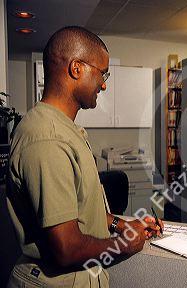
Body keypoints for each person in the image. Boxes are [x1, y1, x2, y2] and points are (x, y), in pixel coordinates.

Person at [6, 26, 163, 287]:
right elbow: (66, 248)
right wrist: (124, 244)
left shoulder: (65, 129)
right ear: (76, 68)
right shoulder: (48, 138)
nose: (103, 84)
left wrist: (120, 225)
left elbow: (79, 210)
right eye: (102, 73)